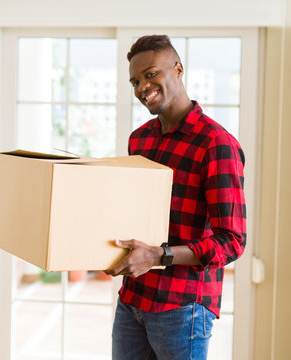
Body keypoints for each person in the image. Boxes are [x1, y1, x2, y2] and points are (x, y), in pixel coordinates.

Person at [104, 35, 247, 360]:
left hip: (183, 306)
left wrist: (159, 256)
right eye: (135, 80)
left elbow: (233, 241)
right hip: (133, 298)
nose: (142, 87)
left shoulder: (216, 144)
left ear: (178, 69)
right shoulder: (139, 140)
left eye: (151, 74)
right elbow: (134, 213)